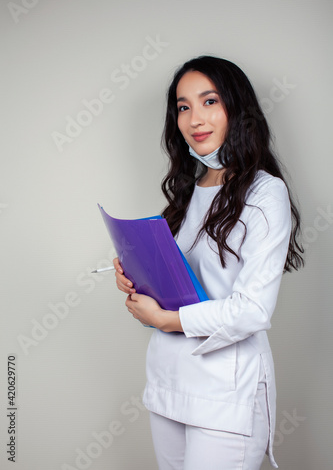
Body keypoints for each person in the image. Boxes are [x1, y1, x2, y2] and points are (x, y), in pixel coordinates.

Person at [113, 56, 304, 470]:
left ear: (237, 108)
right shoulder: (187, 192)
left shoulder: (265, 193)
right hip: (169, 381)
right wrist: (138, 282)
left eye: (209, 101)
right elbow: (178, 290)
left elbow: (251, 310)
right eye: (183, 107)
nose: (194, 118)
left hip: (226, 391)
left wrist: (166, 320)